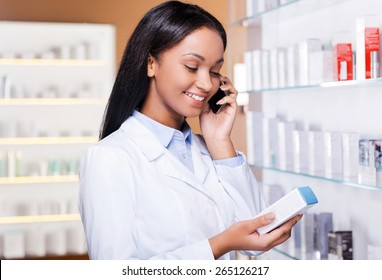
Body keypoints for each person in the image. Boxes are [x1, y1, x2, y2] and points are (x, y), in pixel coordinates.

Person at [79, 0, 301, 260]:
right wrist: (218, 245)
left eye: (215, 70)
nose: (207, 83)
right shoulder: (110, 158)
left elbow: (256, 238)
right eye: (192, 67)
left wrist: (220, 141)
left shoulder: (211, 150)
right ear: (151, 63)